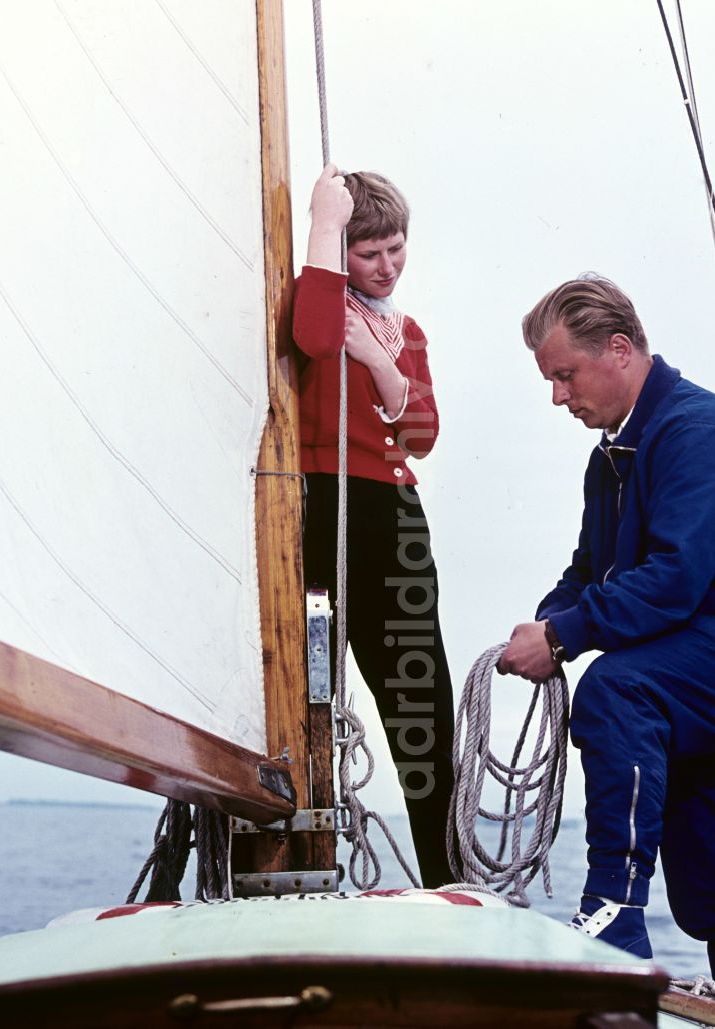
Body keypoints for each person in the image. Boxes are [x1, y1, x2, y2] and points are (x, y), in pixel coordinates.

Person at [498, 273, 715, 1004]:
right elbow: (592, 570)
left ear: (618, 350)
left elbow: (677, 576)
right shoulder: (613, 456)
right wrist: (543, 625)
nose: (558, 395)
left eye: (565, 374)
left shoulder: (696, 433)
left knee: (619, 687)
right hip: (712, 654)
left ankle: (613, 917)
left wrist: (562, 639)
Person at [292, 164, 455, 888]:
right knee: (307, 695)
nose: (386, 267)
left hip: (393, 521)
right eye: (368, 253)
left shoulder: (403, 329)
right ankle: (302, 861)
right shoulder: (319, 299)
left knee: (422, 705)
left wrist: (381, 361)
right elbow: (315, 338)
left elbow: (422, 431)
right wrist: (324, 224)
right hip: (321, 509)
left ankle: (447, 879)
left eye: (396, 249)